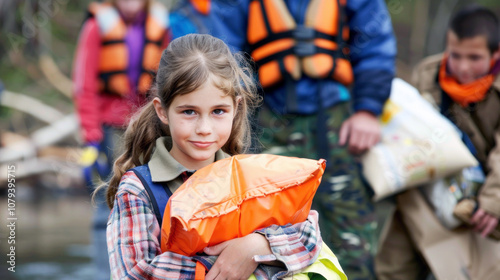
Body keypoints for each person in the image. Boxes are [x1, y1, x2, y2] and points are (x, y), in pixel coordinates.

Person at [169, 1, 396, 279]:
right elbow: (225, 54)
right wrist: (228, 119)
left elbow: (375, 42)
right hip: (268, 118)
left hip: (339, 120)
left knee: (352, 225)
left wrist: (367, 111)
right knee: (266, 222)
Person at [98, 33, 324, 279]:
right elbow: (135, 272)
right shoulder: (137, 190)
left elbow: (309, 236)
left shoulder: (251, 178)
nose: (204, 128)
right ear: (162, 111)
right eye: (189, 112)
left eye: (218, 111)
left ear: (235, 108)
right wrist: (226, 263)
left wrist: (256, 247)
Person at [376, 5, 500, 279]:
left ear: (495, 55)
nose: (463, 66)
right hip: (426, 187)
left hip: (484, 198)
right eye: (455, 55)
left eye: (474, 57)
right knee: (393, 265)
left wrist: (493, 201)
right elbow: (408, 128)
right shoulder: (428, 74)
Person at [72, 0, 170, 279]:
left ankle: (150, 269)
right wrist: (91, 139)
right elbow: (84, 86)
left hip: (149, 126)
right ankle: (107, 274)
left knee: (156, 200)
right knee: (107, 201)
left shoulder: (160, 26)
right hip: (108, 131)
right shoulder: (96, 26)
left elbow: (169, 81)